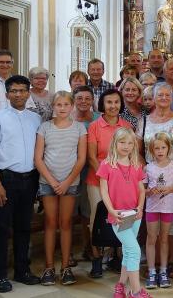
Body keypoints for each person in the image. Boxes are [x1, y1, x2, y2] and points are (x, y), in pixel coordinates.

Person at [0, 75, 42, 293]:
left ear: (28, 93)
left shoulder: (35, 119)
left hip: (30, 179)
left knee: (24, 227)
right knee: (1, 228)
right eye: (14, 91)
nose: (18, 94)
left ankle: (22, 270)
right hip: (6, 179)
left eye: (22, 90)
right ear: (7, 94)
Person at [34, 91, 87, 286]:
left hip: (69, 182)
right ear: (53, 107)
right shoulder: (44, 127)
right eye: (59, 104)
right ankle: (49, 267)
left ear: (72, 106)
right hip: (48, 182)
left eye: (66, 104)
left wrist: (66, 182)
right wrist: (52, 181)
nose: (62, 108)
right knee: (50, 222)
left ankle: (65, 267)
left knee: (65, 223)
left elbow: (81, 158)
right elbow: (38, 158)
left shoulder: (79, 128)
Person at [140, 82, 173, 278]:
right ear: (153, 98)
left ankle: (170, 262)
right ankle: (153, 263)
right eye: (159, 95)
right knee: (152, 221)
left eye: (167, 95)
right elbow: (138, 150)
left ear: (171, 97)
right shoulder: (144, 121)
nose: (163, 98)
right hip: (151, 175)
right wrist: (147, 172)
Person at [97, 128, 149, 298]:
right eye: (122, 142)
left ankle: (120, 286)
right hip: (119, 217)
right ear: (115, 143)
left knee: (128, 251)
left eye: (130, 143)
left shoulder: (136, 165)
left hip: (135, 215)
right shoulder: (106, 165)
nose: (126, 146)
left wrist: (140, 207)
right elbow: (104, 192)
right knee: (134, 251)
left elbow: (141, 190)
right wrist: (112, 211)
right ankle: (136, 292)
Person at [86, 89, 132, 278]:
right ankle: (97, 259)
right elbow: (92, 156)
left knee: (122, 219)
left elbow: (130, 154)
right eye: (109, 102)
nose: (113, 106)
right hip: (98, 180)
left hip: (122, 182)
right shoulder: (94, 126)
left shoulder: (127, 126)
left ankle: (117, 257)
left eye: (116, 102)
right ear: (102, 105)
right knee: (96, 219)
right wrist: (106, 178)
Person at [143, 132, 173, 290]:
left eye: (163, 147)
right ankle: (152, 271)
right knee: (151, 238)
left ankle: (163, 271)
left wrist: (170, 189)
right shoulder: (148, 167)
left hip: (168, 208)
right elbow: (143, 190)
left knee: (165, 238)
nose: (160, 151)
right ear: (151, 150)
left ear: (169, 148)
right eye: (156, 148)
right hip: (152, 208)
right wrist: (149, 191)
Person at [70, 86, 98, 261]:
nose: (83, 102)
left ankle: (88, 246)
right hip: (70, 171)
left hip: (92, 170)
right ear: (74, 100)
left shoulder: (98, 119)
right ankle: (69, 251)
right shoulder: (67, 118)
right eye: (79, 98)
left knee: (88, 212)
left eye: (87, 98)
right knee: (70, 211)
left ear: (92, 100)